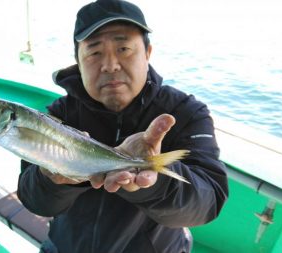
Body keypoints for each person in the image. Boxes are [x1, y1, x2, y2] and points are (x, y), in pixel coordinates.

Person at [17, 0, 229, 252]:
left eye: (124, 48)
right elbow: (34, 201)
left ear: (148, 53)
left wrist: (157, 183)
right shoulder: (59, 114)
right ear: (78, 61)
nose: (110, 65)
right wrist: (52, 180)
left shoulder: (185, 112)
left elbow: (207, 204)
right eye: (94, 52)